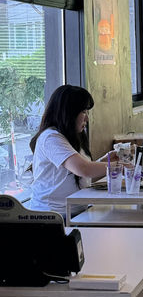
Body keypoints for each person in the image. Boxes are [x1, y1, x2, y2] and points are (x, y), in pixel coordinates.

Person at [28, 85, 108, 219]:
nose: (87, 119)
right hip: (51, 217)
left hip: (75, 212)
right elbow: (83, 169)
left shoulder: (71, 137)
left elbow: (83, 176)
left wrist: (106, 161)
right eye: (84, 112)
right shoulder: (51, 138)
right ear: (68, 113)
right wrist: (119, 167)